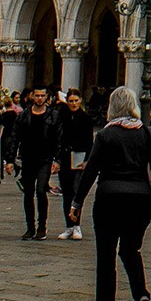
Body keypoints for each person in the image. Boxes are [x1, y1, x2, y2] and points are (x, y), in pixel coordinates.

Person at [69, 86, 151, 301]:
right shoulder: (146, 132)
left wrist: (77, 202)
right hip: (140, 200)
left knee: (106, 256)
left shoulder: (105, 134)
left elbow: (90, 171)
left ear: (112, 107)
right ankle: (142, 296)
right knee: (131, 250)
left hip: (109, 199)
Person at [11, 86, 58, 240]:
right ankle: (30, 227)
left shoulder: (53, 115)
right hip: (28, 158)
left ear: (47, 97)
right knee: (28, 192)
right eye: (37, 95)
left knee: (40, 190)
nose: (39, 98)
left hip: (45, 158)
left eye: (42, 95)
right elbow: (15, 137)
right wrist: (10, 159)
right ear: (32, 96)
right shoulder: (24, 116)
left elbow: (59, 138)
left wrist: (57, 160)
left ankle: (42, 226)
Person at [56, 88, 96, 241]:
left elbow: (89, 142)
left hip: (79, 157)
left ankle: (77, 225)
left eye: (76, 101)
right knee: (66, 192)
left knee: (76, 192)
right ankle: (69, 226)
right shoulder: (62, 116)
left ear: (80, 101)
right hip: (66, 157)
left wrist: (87, 160)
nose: (73, 103)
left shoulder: (85, 118)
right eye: (71, 101)